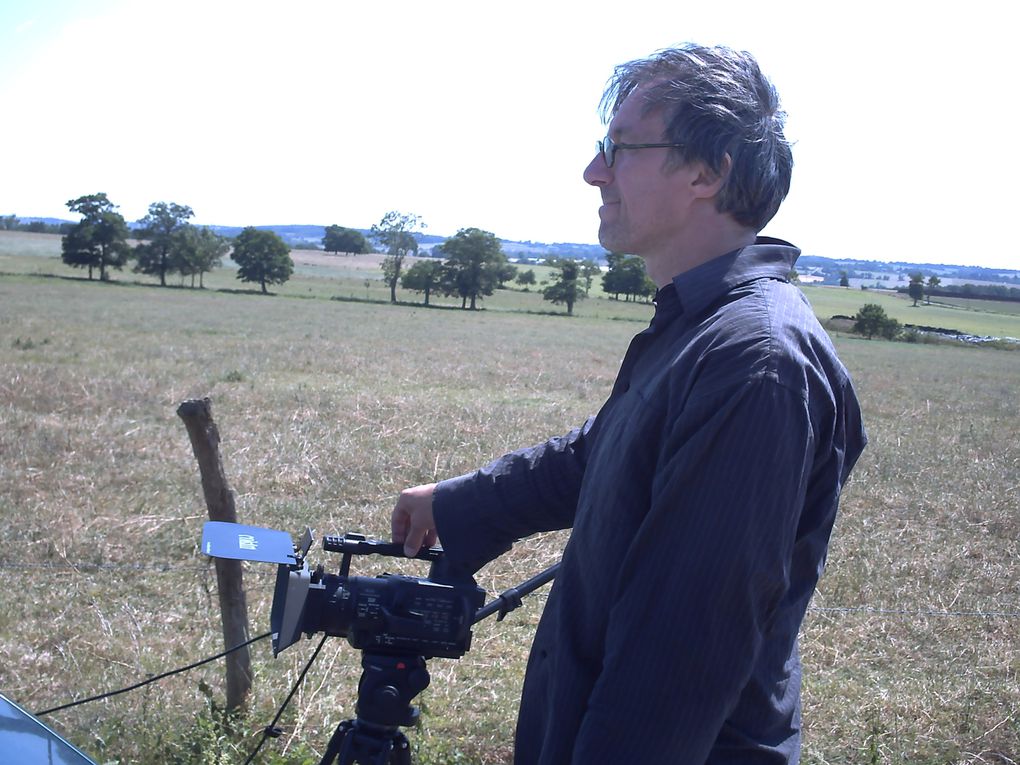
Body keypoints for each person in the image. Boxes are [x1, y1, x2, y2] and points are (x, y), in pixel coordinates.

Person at [391, 43, 867, 764]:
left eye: (619, 147)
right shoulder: (701, 328)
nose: (593, 171)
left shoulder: (754, 364)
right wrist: (458, 503)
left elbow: (677, 653)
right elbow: (601, 457)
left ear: (707, 173)